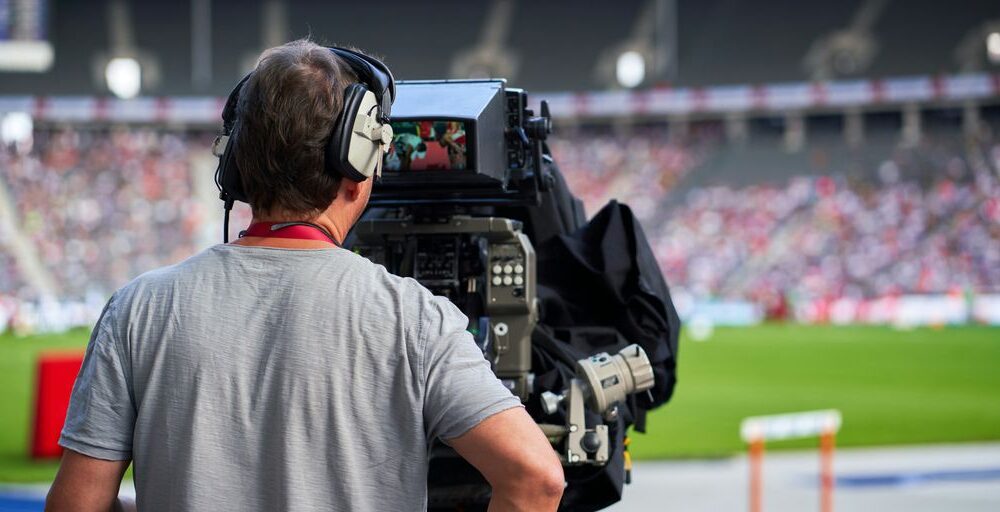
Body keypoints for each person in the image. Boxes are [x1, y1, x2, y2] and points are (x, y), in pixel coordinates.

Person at [45, 39, 564, 512]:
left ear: (235, 168)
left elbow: (75, 505)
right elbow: (536, 479)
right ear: (358, 165)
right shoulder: (414, 317)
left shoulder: (139, 308)